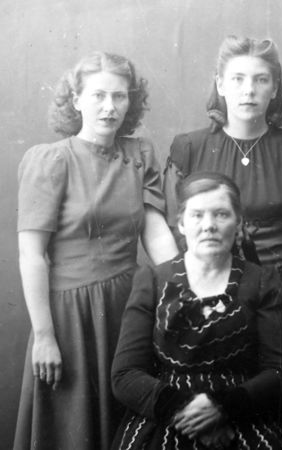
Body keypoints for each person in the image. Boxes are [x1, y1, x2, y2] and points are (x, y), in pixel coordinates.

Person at [13, 52, 178, 450]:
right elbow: (32, 255)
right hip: (70, 317)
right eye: (98, 95)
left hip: (129, 307)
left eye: (119, 96)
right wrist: (44, 336)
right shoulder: (50, 160)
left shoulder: (139, 155)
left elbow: (156, 233)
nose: (109, 107)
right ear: (76, 99)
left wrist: (182, 289)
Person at [162, 35, 282, 447]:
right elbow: (176, 235)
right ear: (220, 84)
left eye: (261, 80)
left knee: (278, 413)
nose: (249, 90)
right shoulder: (190, 147)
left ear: (275, 87)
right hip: (208, 295)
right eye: (237, 79)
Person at [111, 172, 282, 449]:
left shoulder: (262, 281)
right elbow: (125, 374)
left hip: (243, 413)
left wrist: (224, 408)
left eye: (221, 214)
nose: (209, 225)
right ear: (182, 224)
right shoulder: (152, 280)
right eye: (197, 215)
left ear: (238, 222)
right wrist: (183, 411)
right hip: (165, 414)